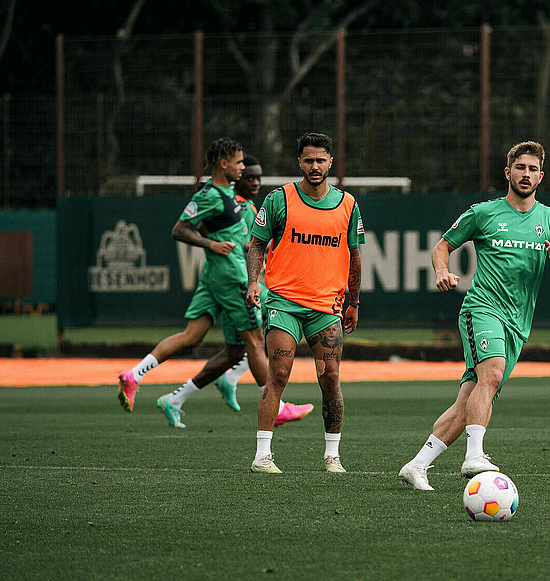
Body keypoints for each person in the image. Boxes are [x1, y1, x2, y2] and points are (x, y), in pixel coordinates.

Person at [399, 141, 550, 491]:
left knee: (471, 400)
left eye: (533, 169)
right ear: (507, 172)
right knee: (491, 375)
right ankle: (474, 456)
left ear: (542, 175)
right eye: (520, 168)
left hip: (518, 323)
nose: (526, 174)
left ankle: (417, 465)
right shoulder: (484, 213)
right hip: (483, 309)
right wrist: (441, 271)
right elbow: (442, 246)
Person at [116, 138, 268, 428]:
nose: (242, 167)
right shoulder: (211, 194)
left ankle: (135, 376)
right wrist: (211, 245)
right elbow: (179, 230)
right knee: (257, 341)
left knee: (192, 337)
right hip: (230, 277)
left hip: (216, 277)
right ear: (223, 164)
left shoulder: (228, 195)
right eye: (239, 163)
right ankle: (277, 403)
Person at [246, 132, 364, 474]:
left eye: (321, 160)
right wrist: (255, 282)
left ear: (331, 162)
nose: (315, 166)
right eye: (308, 160)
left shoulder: (348, 205)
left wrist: (353, 301)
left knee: (330, 379)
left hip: (327, 307)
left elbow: (354, 257)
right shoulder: (279, 199)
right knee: (279, 373)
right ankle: (262, 456)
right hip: (283, 302)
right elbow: (257, 245)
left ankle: (332, 457)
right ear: (299, 162)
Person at [213, 154, 315, 427]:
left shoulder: (244, 205)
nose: (256, 182)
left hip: (246, 279)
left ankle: (188, 394)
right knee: (263, 339)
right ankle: (275, 405)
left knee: (242, 344)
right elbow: (252, 244)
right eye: (250, 177)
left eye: (259, 177)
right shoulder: (239, 207)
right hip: (250, 280)